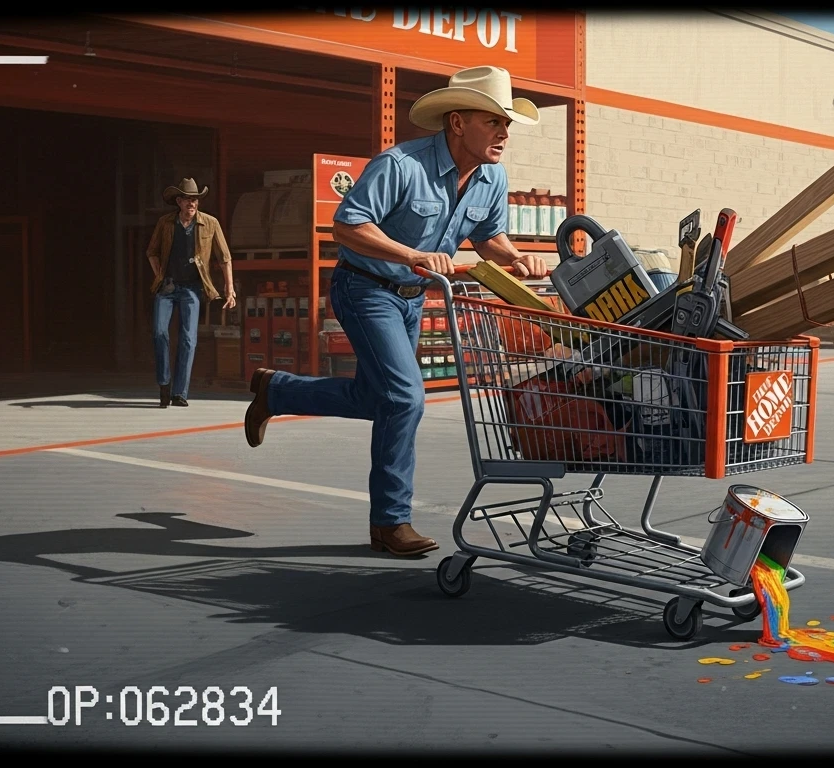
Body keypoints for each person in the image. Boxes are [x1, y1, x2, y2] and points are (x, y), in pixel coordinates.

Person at [241, 66, 549, 557]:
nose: (503, 132)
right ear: (456, 122)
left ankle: (276, 390)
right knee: (405, 399)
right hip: (365, 289)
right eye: (492, 120)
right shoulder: (400, 164)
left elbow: (488, 237)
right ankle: (390, 522)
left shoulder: (492, 177)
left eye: (506, 123)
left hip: (411, 299)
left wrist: (514, 256)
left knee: (379, 399)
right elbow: (348, 226)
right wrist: (412, 255)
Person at [145, 178, 237, 407]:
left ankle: (180, 392)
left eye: (194, 199)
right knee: (159, 332)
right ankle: (164, 384)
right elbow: (152, 252)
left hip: (192, 288)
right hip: (167, 286)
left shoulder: (210, 223)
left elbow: (224, 258)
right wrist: (158, 273)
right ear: (178, 201)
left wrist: (230, 289)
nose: (191, 203)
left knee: (188, 338)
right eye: (187, 199)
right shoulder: (166, 223)